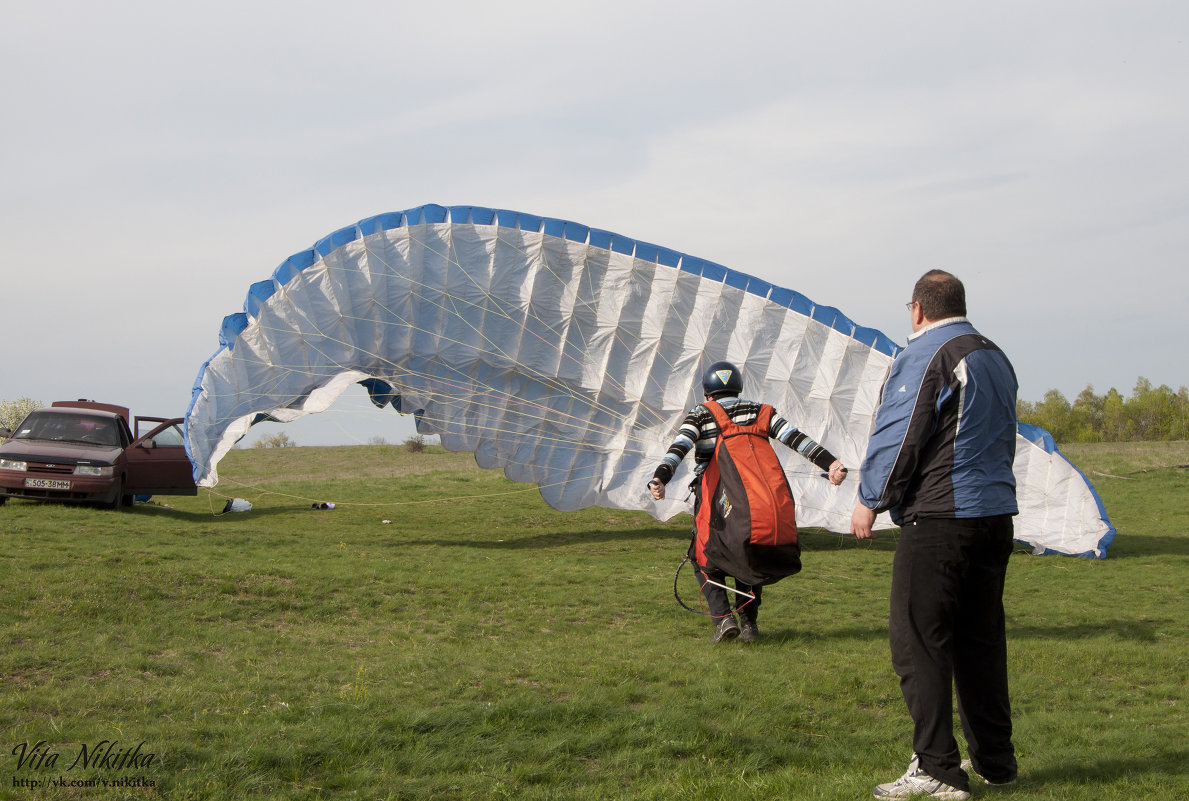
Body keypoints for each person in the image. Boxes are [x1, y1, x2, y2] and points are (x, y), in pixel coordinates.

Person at [851, 270, 1019, 800]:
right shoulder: (994, 354)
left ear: (917, 310)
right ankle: (995, 761)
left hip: (941, 518)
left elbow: (901, 430)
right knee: (980, 639)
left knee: (918, 641)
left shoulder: (930, 351)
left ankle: (937, 768)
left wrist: (870, 500)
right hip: (994, 516)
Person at [650, 360, 847, 643]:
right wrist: (831, 464)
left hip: (715, 499)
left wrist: (660, 479)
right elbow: (796, 439)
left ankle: (723, 619)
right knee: (747, 553)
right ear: (738, 388)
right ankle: (749, 624)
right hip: (755, 499)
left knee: (703, 557)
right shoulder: (761, 412)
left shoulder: (702, 413)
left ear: (707, 392)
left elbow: (678, 447)